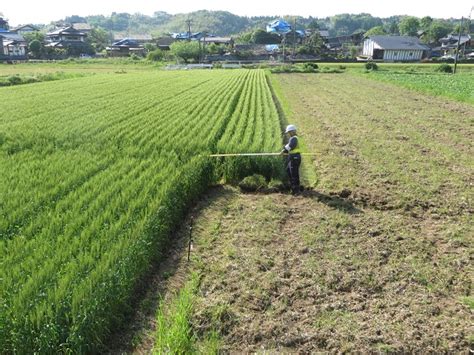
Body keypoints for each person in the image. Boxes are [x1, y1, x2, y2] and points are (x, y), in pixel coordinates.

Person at [281, 124, 302, 194]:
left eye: (289, 132)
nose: (288, 134)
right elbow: (287, 146)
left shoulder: (294, 138)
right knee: (289, 171)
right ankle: (294, 187)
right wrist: (283, 150)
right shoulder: (293, 138)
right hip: (293, 157)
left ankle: (296, 190)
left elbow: (290, 146)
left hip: (295, 157)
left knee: (294, 174)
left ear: (293, 131)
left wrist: (284, 151)